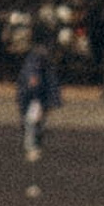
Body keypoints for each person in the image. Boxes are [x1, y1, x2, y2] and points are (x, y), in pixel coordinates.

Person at [16, 27, 60, 174]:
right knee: (32, 122)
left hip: (38, 96)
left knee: (35, 122)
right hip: (35, 96)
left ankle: (34, 146)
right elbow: (33, 80)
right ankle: (32, 148)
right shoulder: (37, 59)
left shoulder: (39, 59)